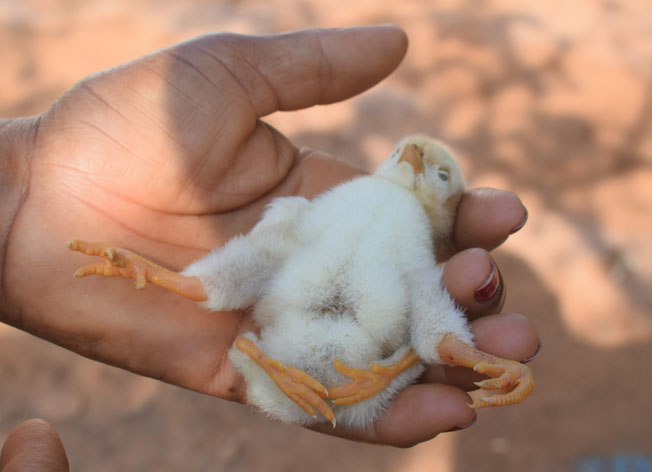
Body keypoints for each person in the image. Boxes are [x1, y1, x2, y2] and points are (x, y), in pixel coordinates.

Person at [0, 26, 540, 449]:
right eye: (405, 149)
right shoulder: (330, 202)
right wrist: (165, 276)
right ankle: (265, 358)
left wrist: (467, 355)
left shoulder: (418, 239)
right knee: (285, 223)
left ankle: (289, 364)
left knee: (424, 297)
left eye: (436, 171)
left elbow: (425, 300)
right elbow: (267, 256)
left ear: (444, 202)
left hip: (349, 371)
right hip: (304, 351)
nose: (413, 156)